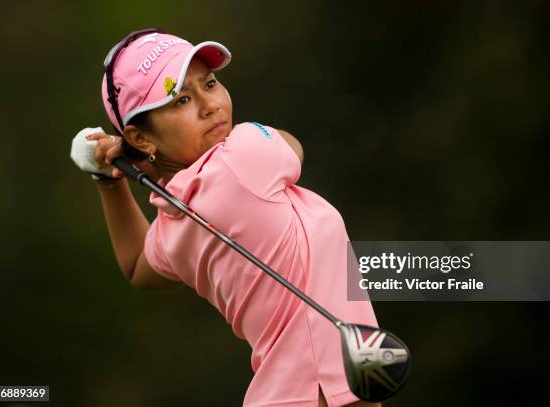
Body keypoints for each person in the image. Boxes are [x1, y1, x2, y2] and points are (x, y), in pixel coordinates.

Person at [79, 29, 381, 407]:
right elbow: (293, 146)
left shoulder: (174, 219)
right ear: (141, 138)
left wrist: (108, 182)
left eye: (210, 83)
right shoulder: (244, 153)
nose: (210, 105)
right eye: (182, 99)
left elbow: (138, 265)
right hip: (318, 395)